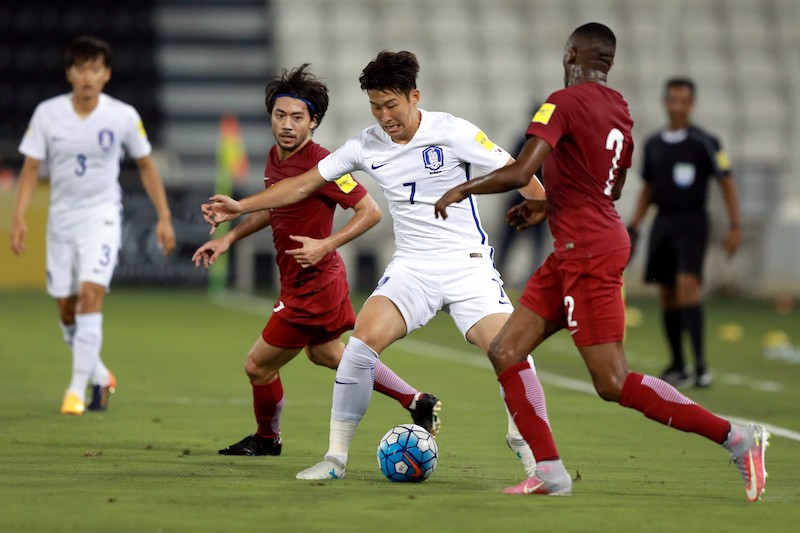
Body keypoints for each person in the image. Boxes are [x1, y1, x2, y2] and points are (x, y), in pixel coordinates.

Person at [433, 23, 767, 501]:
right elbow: (608, 188)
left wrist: (465, 186)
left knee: (611, 381)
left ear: (570, 54)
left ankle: (736, 437)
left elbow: (523, 169)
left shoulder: (562, 102)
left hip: (588, 251)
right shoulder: (620, 110)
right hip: (577, 244)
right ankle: (549, 471)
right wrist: (549, 207)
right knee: (506, 349)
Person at [202, 50, 544, 479]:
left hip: (466, 266)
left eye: (391, 105)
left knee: (511, 352)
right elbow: (304, 184)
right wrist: (239, 208)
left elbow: (520, 175)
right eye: (375, 107)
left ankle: (534, 459)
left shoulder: (453, 131)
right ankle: (334, 460)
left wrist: (541, 206)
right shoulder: (366, 144)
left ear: (414, 96)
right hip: (412, 269)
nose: (384, 116)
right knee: (358, 349)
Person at [193, 64, 441, 456]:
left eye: (297, 117)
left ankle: (267, 439)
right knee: (327, 353)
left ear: (314, 121)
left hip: (315, 284)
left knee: (258, 366)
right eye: (280, 115)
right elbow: (275, 206)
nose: (287, 125)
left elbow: (370, 211)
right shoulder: (277, 157)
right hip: (300, 280)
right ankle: (415, 399)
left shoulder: (325, 163)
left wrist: (327, 244)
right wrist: (230, 239)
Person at [10, 36, 176, 415]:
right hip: (61, 220)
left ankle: (74, 391)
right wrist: (18, 217)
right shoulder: (47, 114)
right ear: (70, 73)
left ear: (107, 74)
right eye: (81, 68)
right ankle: (100, 375)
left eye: (95, 69)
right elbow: (31, 169)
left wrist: (164, 216)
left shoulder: (122, 116)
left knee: (90, 297)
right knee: (67, 310)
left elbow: (147, 165)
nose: (88, 76)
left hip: (101, 216)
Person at [627, 77, 741, 389]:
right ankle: (678, 363)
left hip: (692, 221)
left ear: (691, 104)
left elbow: (727, 183)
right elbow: (647, 188)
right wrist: (635, 226)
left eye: (683, 100)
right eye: (672, 99)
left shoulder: (706, 142)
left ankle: (701, 365)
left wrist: (735, 225)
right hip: (663, 221)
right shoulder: (653, 144)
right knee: (666, 292)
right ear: (665, 102)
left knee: (688, 285)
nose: (677, 105)